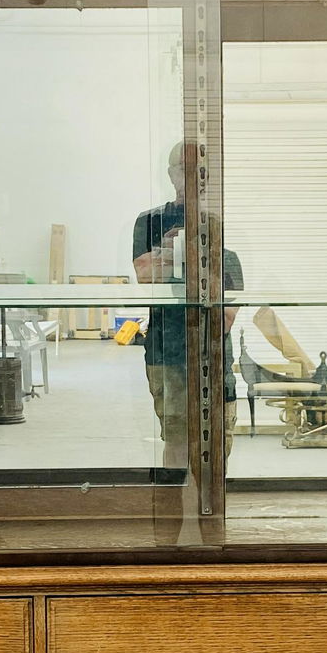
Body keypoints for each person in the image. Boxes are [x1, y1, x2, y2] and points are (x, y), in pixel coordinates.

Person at [132, 143, 243, 466]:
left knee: (217, 443)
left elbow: (224, 318)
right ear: (171, 174)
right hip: (168, 353)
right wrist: (172, 253)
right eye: (186, 169)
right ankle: (173, 506)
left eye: (203, 170)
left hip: (215, 359)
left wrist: (202, 262)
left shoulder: (222, 233)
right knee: (177, 439)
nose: (197, 177)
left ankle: (209, 513)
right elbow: (145, 275)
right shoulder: (150, 221)